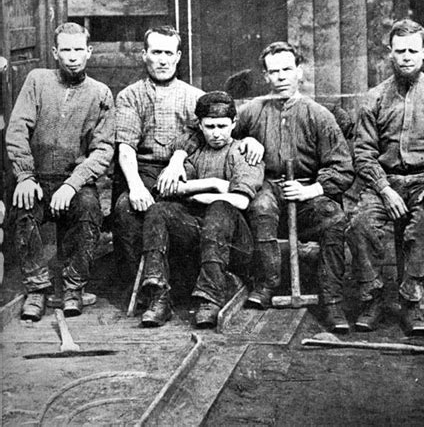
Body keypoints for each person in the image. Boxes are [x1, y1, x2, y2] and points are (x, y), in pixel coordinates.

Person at [347, 19, 424, 336]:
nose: (406, 57)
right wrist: (384, 189)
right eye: (400, 50)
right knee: (360, 223)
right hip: (383, 183)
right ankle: (372, 298)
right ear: (390, 53)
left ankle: (411, 301)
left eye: (413, 50)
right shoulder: (373, 98)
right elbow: (363, 153)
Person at [113, 26, 262, 282]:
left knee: (182, 213)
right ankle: (140, 285)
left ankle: (186, 279)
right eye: (156, 52)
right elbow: (125, 147)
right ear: (144, 54)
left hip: (186, 173)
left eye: (168, 53)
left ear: (178, 56)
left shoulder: (195, 97)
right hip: (144, 171)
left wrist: (251, 141)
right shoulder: (130, 96)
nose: (162, 59)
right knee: (126, 207)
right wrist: (136, 186)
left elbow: (222, 129)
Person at [234, 42, 355, 333]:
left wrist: (311, 190)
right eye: (273, 72)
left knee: (334, 218)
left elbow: (342, 167)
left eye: (287, 69)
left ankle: (332, 300)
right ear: (265, 76)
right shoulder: (253, 110)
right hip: (270, 188)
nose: (281, 77)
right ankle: (266, 285)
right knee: (260, 206)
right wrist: (244, 142)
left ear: (299, 72)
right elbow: (224, 138)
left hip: (306, 191)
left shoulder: (319, 115)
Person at [6, 22, 115, 320]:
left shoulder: (100, 93)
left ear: (89, 52)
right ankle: (37, 289)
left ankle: (73, 288)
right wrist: (26, 176)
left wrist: (73, 184)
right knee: (24, 204)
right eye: (65, 49)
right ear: (55, 52)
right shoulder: (37, 81)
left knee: (89, 208)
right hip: (38, 177)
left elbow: (103, 150)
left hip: (74, 182)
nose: (72, 56)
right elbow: (17, 130)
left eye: (79, 49)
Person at [140, 91, 264, 328]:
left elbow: (240, 201)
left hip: (235, 241)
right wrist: (214, 184)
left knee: (220, 206)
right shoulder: (194, 151)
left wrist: (192, 193)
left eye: (222, 126)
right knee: (159, 210)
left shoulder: (244, 153)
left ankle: (211, 297)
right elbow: (167, 188)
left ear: (234, 124)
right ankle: (158, 295)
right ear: (200, 125)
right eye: (209, 127)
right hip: (201, 235)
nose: (216, 133)